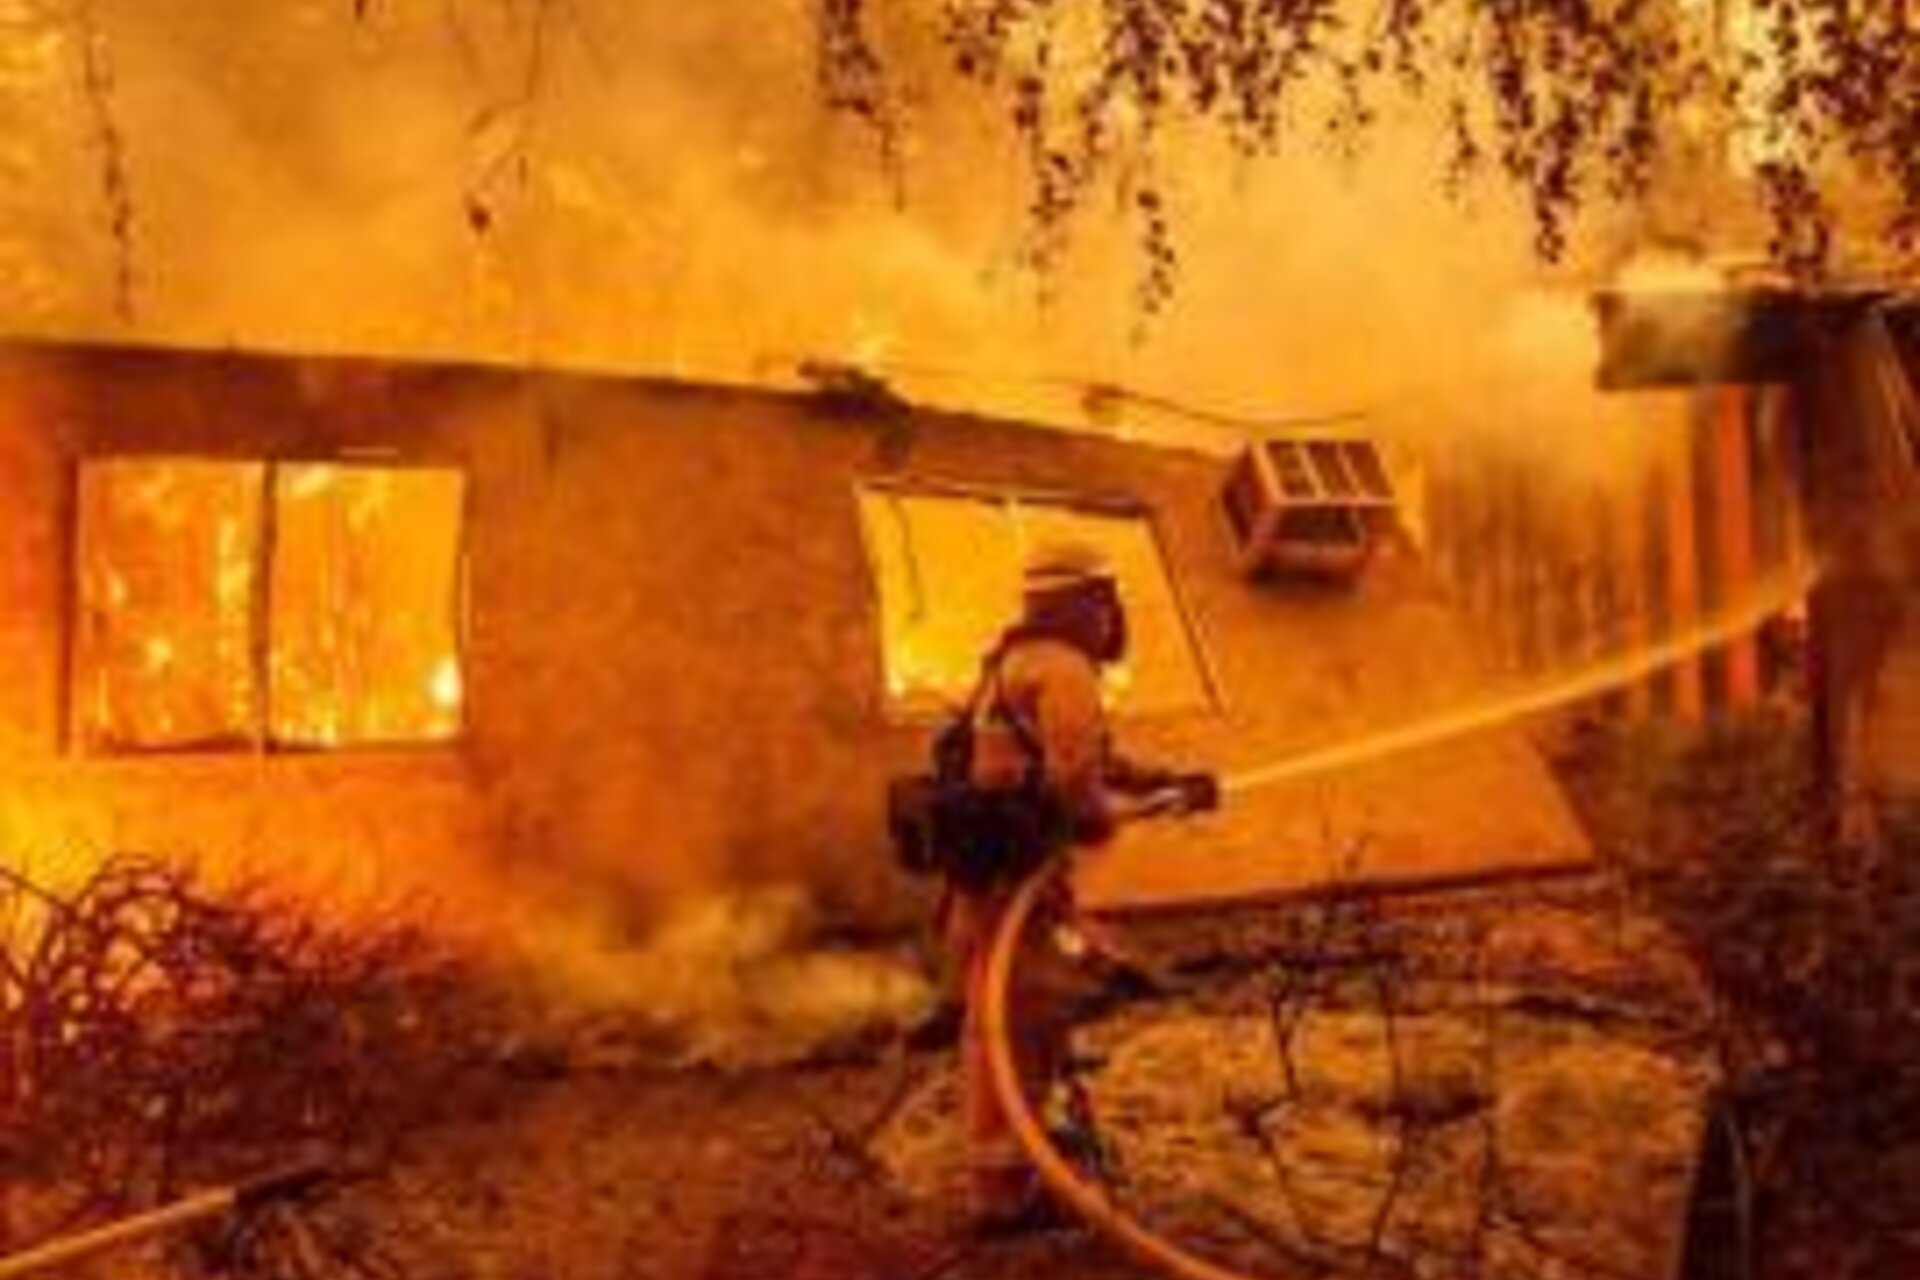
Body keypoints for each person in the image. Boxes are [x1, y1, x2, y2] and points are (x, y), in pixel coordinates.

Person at [939, 541, 1218, 1232]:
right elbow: (1073, 786)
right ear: (1081, 603)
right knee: (1021, 1020)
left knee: (1010, 1010)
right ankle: (1003, 1185)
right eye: (1104, 600)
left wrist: (1160, 780)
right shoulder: (1065, 670)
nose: (1111, 616)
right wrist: (1106, 818)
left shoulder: (1015, 662)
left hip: (994, 876)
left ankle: (1021, 1137)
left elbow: (1087, 758)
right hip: (1015, 880)